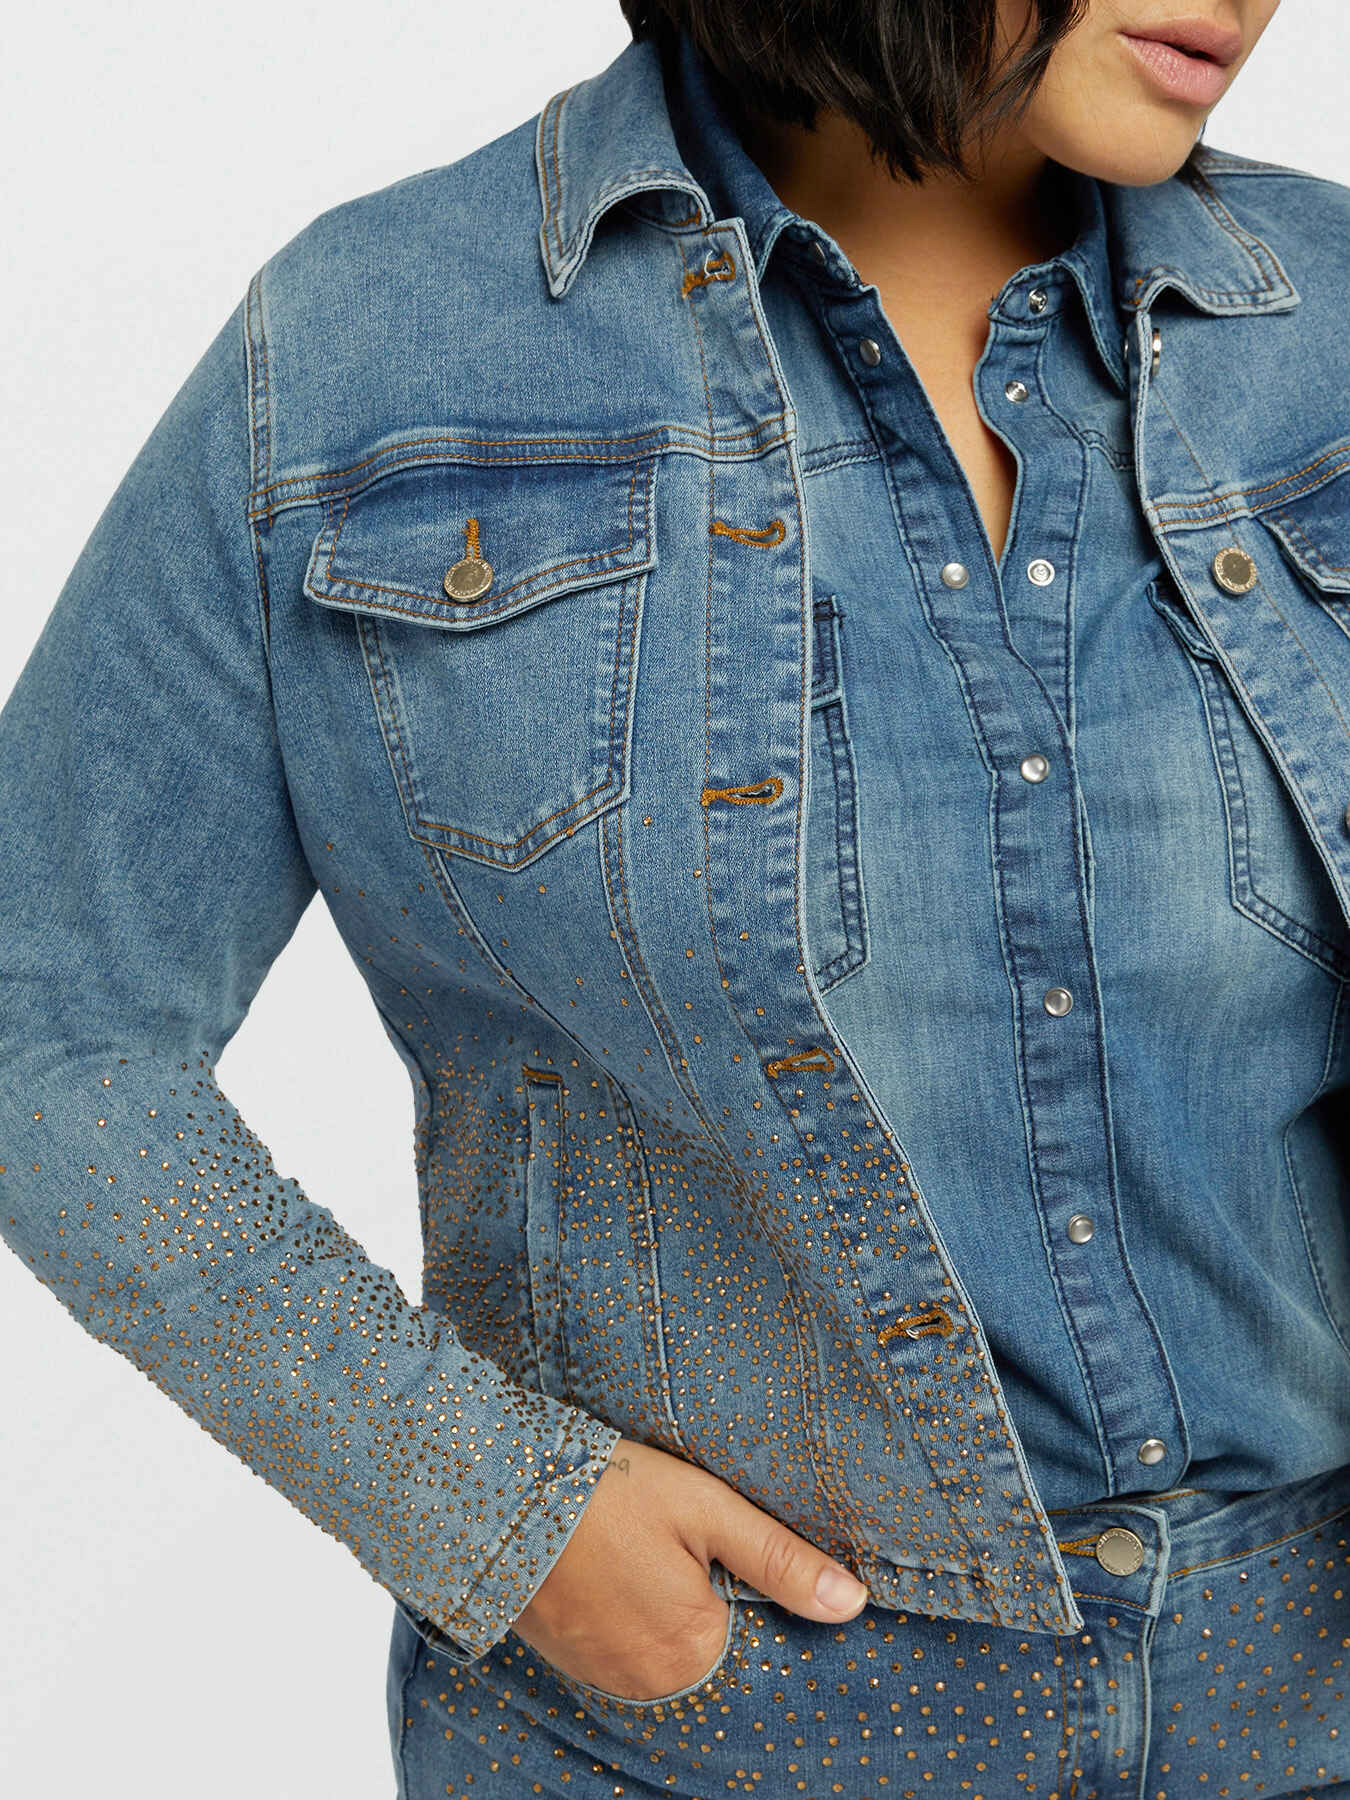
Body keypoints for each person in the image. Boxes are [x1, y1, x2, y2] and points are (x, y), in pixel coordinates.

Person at [3, 0, 1348, 1794]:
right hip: (696, 1741)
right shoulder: (364, 350)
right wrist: (489, 1508)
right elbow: (47, 1025)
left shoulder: (1327, 319)